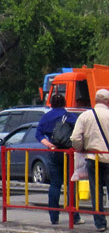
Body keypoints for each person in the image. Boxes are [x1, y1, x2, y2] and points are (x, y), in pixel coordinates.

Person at [70, 87, 109, 232]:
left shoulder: (86, 116)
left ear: (96, 100)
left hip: (93, 157)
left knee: (96, 190)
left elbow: (75, 138)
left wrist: (80, 148)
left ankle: (100, 223)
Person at [35, 93, 77, 225]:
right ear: (64, 103)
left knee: (55, 184)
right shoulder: (70, 116)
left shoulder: (47, 117)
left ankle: (54, 217)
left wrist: (50, 145)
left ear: (51, 103)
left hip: (54, 153)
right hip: (68, 153)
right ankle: (74, 216)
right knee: (71, 184)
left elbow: (38, 134)